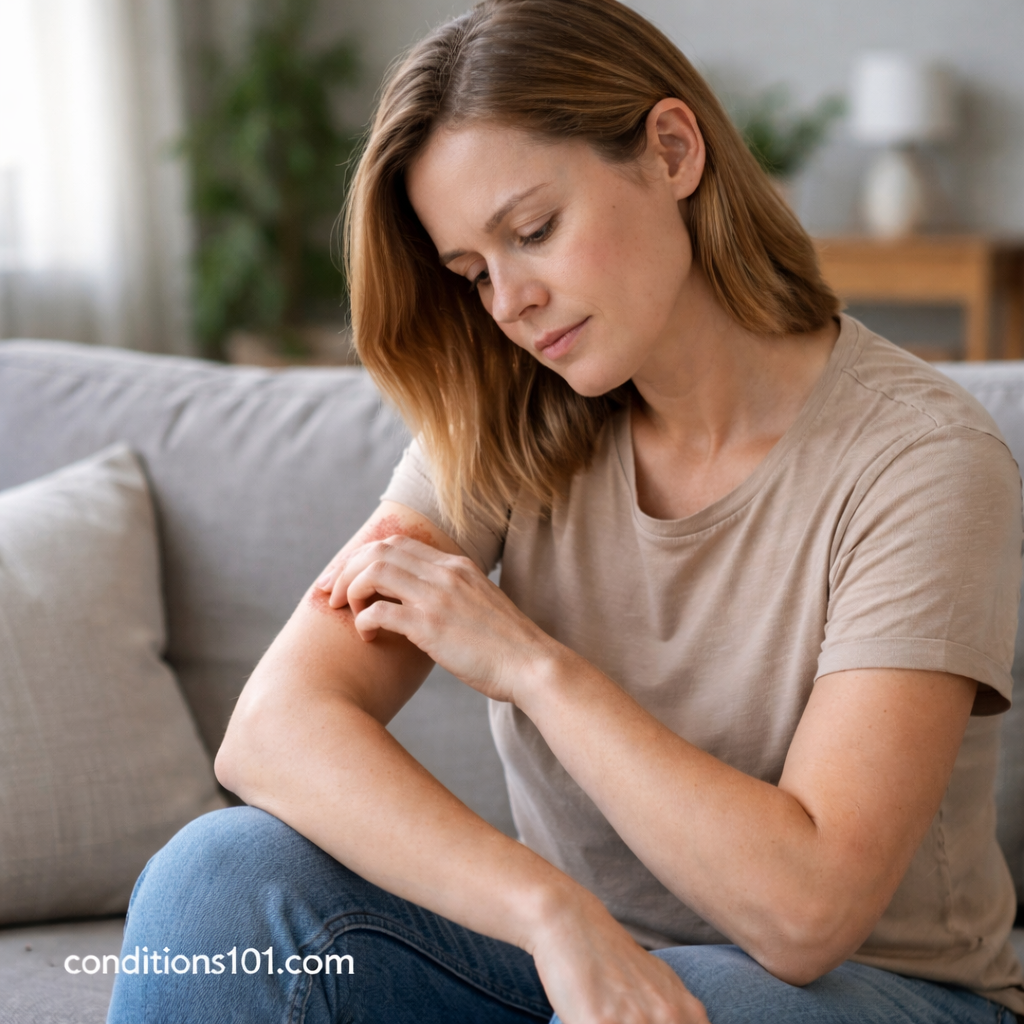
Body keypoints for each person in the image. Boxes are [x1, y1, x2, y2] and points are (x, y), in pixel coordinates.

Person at [107, 1, 1024, 1021]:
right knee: (222, 875)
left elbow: (805, 913)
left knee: (717, 991)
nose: (509, 303)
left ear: (672, 149)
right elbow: (274, 731)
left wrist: (531, 666)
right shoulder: (508, 420)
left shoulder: (922, 459)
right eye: (473, 273)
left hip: (870, 994)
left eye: (533, 231)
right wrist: (550, 914)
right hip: (579, 978)